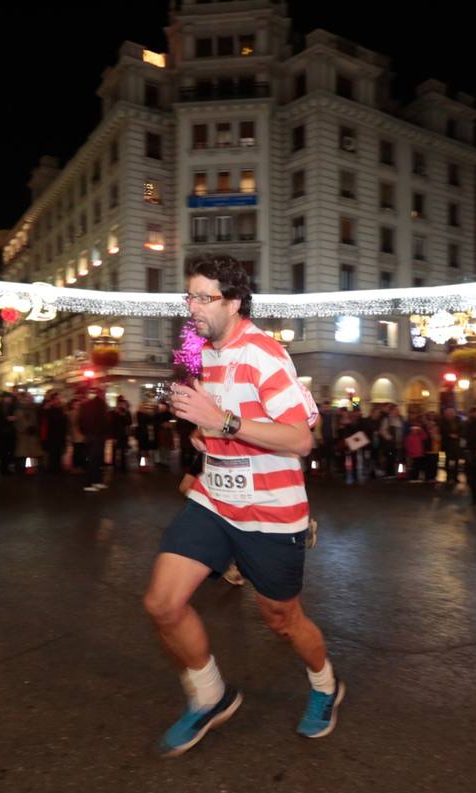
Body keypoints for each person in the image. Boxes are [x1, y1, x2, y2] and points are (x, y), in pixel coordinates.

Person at [145, 255, 339, 757]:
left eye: (204, 298)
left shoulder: (264, 354)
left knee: (282, 620)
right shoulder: (200, 352)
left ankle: (325, 686)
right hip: (214, 500)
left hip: (272, 511)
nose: (193, 307)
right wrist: (200, 429)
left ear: (233, 302)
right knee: (162, 603)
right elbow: (210, 423)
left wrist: (224, 420)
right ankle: (210, 697)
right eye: (189, 296)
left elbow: (300, 440)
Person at [79, 387, 109, 492]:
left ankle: (94, 482)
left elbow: (81, 421)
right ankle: (92, 482)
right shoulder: (101, 405)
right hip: (98, 436)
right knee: (96, 460)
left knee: (93, 459)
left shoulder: (86, 405)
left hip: (90, 435)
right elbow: (105, 421)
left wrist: (84, 432)